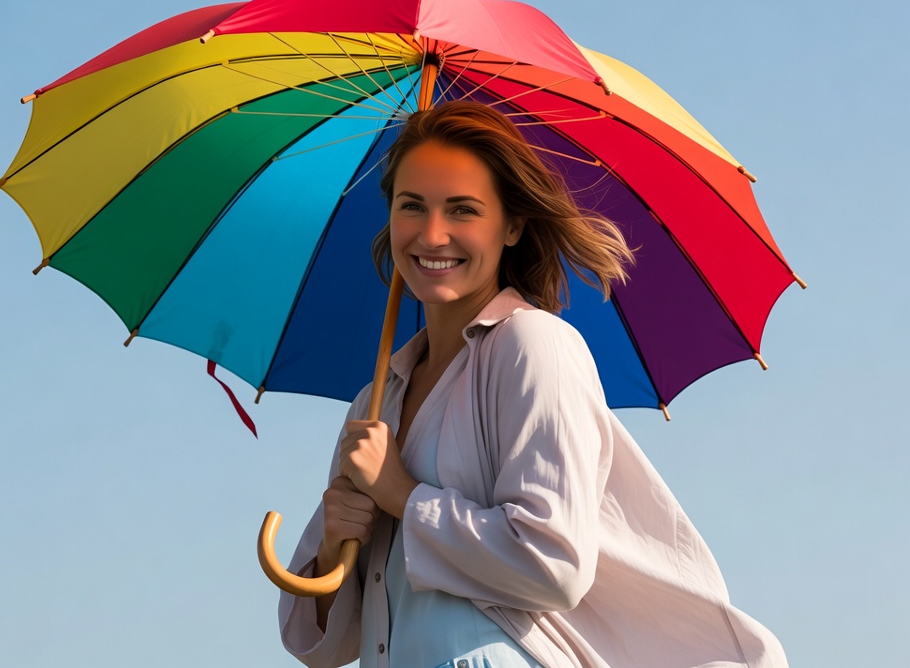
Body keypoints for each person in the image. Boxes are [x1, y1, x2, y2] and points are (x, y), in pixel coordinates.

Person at [279, 101, 788, 668]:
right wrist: (334, 544)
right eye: (411, 206)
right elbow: (324, 648)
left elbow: (554, 561)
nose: (432, 233)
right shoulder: (377, 401)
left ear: (513, 225)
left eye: (463, 209)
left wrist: (403, 496)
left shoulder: (532, 346)